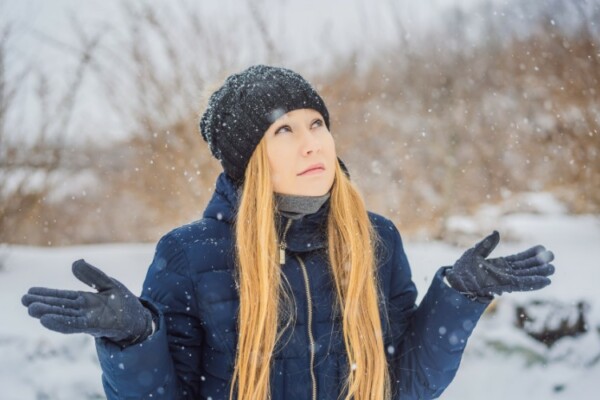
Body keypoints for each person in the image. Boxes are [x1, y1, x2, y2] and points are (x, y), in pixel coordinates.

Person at [21, 65, 556, 400]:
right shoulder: (189, 256)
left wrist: (458, 297)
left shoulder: (376, 241)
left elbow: (403, 387)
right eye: (284, 130)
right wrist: (135, 338)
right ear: (249, 158)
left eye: (317, 124)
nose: (312, 143)